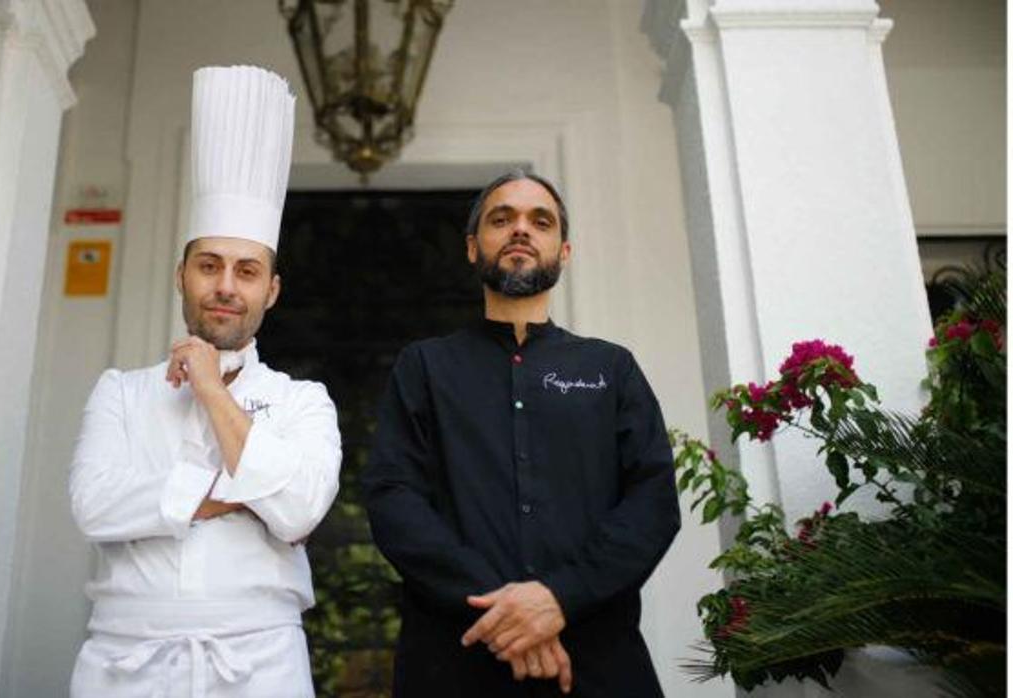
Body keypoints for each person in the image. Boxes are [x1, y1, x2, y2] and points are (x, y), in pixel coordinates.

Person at [68, 65, 340, 698]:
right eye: (209, 265)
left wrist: (214, 390)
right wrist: (240, 492)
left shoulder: (304, 402)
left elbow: (299, 509)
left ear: (270, 291)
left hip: (262, 665)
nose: (225, 285)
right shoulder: (122, 391)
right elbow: (93, 505)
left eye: (247, 271)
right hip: (122, 664)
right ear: (181, 275)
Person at [362, 170, 681, 697]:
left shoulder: (611, 367)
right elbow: (394, 500)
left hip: (595, 661)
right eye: (501, 218)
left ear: (564, 250)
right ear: (472, 247)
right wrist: (510, 613)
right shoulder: (424, 367)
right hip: (455, 661)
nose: (520, 230)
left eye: (540, 220)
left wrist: (560, 598)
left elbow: (652, 502)